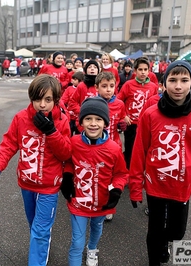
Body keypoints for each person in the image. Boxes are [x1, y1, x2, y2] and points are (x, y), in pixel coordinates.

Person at [129, 60, 191, 266]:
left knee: (177, 232)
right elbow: (139, 153)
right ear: (163, 83)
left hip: (181, 188)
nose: (178, 86)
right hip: (155, 186)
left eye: (184, 80)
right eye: (173, 80)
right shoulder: (150, 115)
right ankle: (155, 259)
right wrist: (134, 187)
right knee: (155, 231)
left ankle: (166, 241)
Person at [0, 74, 72, 266]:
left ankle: (37, 260)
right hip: (26, 183)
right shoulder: (21, 118)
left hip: (49, 187)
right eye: (37, 99)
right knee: (34, 225)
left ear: (55, 100)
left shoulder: (61, 121)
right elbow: (8, 144)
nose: (42, 104)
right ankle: (40, 248)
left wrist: (51, 132)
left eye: (48, 100)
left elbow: (66, 153)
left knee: (40, 230)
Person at [61, 97, 129, 266]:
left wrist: (117, 190)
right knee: (77, 243)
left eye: (98, 119)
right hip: (79, 202)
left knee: (97, 229)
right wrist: (68, 177)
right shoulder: (74, 142)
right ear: (81, 122)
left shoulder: (113, 148)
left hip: (102, 203)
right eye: (88, 119)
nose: (93, 123)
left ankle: (92, 249)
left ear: (105, 122)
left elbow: (121, 173)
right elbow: (69, 161)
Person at [93, 71, 127, 221]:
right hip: (96, 146)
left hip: (114, 146)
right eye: (104, 86)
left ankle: (109, 206)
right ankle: (94, 201)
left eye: (111, 86)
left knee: (112, 176)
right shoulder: (92, 103)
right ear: (97, 87)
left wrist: (122, 125)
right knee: (98, 175)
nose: (108, 89)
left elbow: (121, 120)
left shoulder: (119, 104)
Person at [117, 57, 158, 169]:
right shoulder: (128, 85)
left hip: (146, 125)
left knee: (144, 150)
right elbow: (119, 101)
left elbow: (155, 105)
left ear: (149, 71)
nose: (143, 72)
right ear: (135, 71)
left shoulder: (153, 87)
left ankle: (140, 172)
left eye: (145, 69)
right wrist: (124, 115)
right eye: (140, 69)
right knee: (130, 149)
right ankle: (127, 172)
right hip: (131, 124)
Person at [68, 60, 101, 133]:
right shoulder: (81, 85)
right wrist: (82, 110)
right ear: (85, 70)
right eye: (89, 67)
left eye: (95, 67)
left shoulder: (101, 85)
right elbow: (72, 102)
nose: (92, 69)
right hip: (82, 121)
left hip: (98, 121)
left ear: (98, 70)